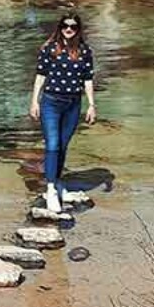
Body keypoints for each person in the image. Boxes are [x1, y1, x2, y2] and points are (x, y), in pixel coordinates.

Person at [29, 14, 96, 213]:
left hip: (73, 104)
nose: (69, 29)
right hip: (51, 102)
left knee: (63, 146)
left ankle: (58, 182)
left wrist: (92, 105)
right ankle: (50, 189)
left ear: (78, 29)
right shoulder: (49, 49)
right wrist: (34, 101)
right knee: (52, 145)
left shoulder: (84, 51)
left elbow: (88, 79)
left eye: (73, 26)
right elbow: (40, 76)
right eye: (65, 26)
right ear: (59, 28)